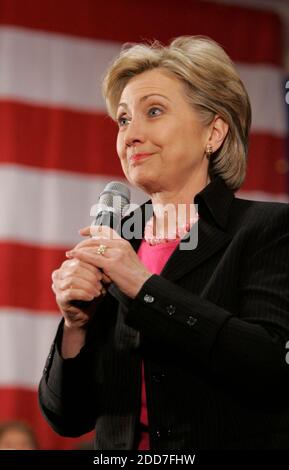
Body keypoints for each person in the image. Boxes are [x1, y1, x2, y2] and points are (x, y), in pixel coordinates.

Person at [38, 36, 289, 450]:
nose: (130, 135)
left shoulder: (269, 229)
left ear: (214, 132)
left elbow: (271, 368)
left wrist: (144, 288)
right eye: (122, 120)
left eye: (153, 111)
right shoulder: (119, 242)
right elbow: (67, 417)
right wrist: (75, 326)